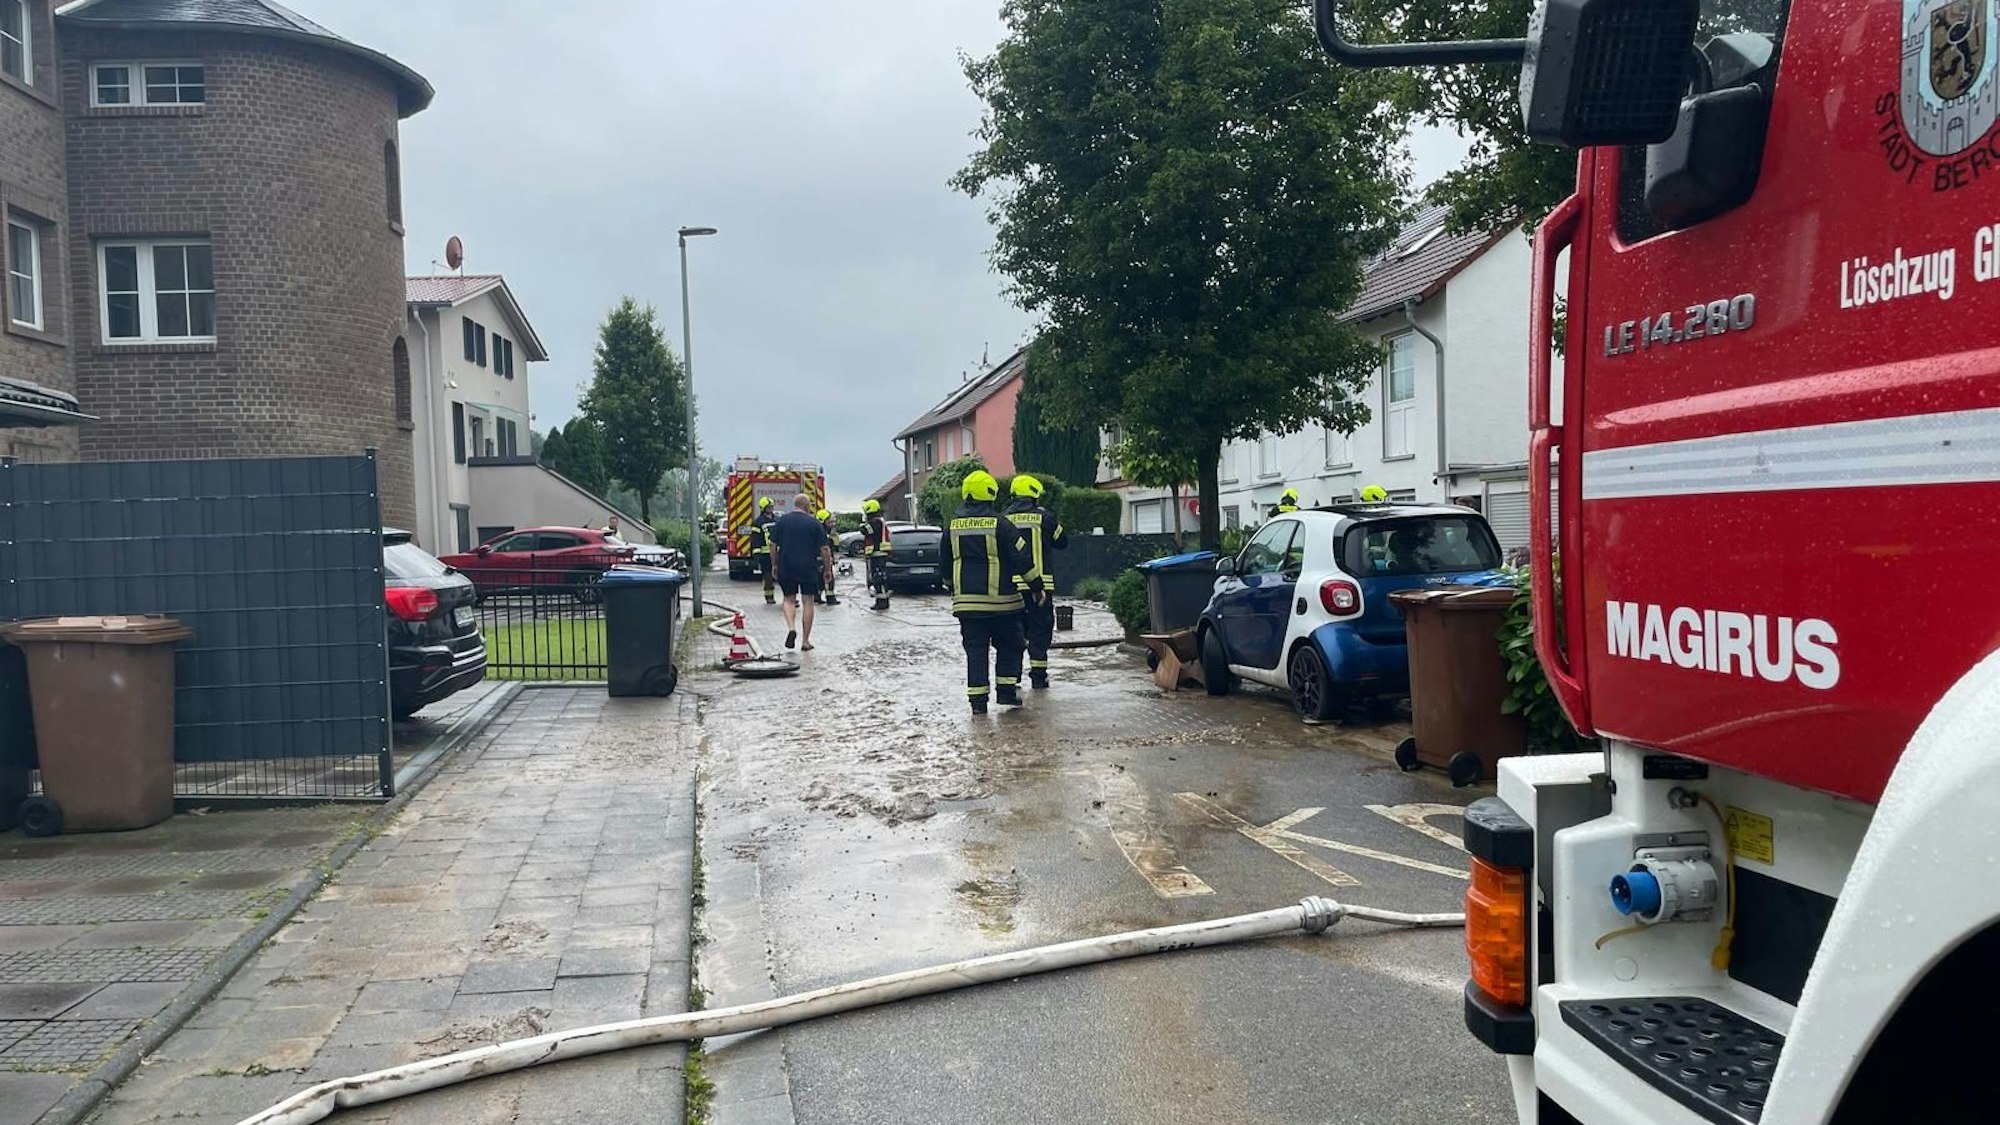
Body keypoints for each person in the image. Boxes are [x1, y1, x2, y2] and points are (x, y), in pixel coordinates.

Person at [940, 470, 1041, 714]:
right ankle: (1006, 693)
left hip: (967, 606)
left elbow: (944, 563)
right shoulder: (1001, 524)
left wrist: (951, 587)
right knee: (1011, 644)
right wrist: (1036, 587)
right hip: (1002, 604)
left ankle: (978, 704)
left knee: (976, 652)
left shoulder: (951, 527)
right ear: (991, 494)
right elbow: (1022, 558)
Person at [1004, 474, 1068, 688]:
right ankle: (1039, 677)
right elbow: (1062, 542)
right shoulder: (1045, 517)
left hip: (1011, 587)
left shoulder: (1003, 518)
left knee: (1014, 633)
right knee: (1040, 631)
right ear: (1034, 496)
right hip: (1040, 587)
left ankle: (1013, 677)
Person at [768, 494, 834, 651]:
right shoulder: (814, 523)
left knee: (789, 600)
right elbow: (824, 549)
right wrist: (827, 568)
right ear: (806, 506)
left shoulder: (782, 521)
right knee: (808, 602)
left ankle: (791, 628)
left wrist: (774, 565)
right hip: (808, 567)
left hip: (787, 565)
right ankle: (805, 641)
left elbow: (773, 545)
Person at [861, 499, 892, 611]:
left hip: (878, 554)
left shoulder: (875, 522)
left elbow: (865, 530)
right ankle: (881, 601)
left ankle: (882, 602)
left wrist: (862, 525)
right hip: (878, 554)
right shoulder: (879, 521)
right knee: (878, 578)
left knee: (879, 578)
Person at [750, 496, 779, 604]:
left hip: (778, 552)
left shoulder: (777, 520)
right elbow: (755, 539)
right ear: (763, 508)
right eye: (768, 507)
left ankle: (790, 597)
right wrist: (757, 554)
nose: (771, 509)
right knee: (768, 576)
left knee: (784, 575)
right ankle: (769, 597)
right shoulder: (758, 522)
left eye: (771, 506)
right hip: (765, 554)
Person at [814, 508, 842, 606]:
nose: (832, 524)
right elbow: (825, 549)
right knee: (828, 579)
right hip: (822, 560)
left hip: (818, 561)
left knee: (819, 580)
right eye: (829, 522)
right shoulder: (822, 534)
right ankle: (830, 598)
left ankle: (817, 597)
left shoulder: (819, 532)